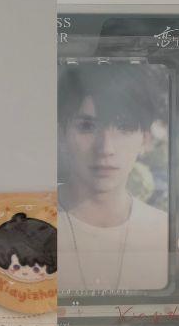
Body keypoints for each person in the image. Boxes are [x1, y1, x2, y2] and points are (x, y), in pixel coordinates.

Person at [57, 60, 168, 291]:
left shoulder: (165, 232)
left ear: (145, 140)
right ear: (61, 134)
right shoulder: (27, 223)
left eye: (124, 127)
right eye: (87, 126)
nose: (106, 148)